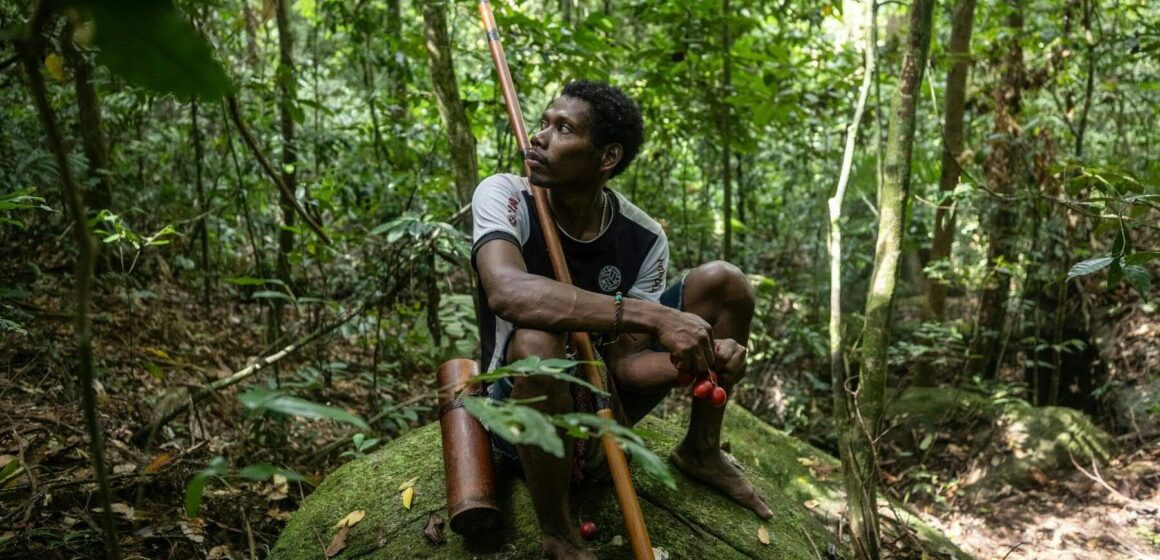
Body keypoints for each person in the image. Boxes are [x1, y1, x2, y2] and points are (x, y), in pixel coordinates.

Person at [471, 80, 771, 560]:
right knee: (536, 341)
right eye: (544, 122)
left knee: (725, 281)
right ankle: (557, 532)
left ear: (607, 157)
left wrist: (701, 357)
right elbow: (507, 292)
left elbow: (628, 366)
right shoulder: (506, 195)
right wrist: (653, 316)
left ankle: (701, 449)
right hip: (522, 411)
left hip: (607, 397)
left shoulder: (642, 235)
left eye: (562, 128)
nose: (539, 137)